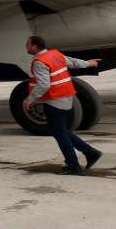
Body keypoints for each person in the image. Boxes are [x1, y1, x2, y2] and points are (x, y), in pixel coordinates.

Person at [23, 36, 103, 175]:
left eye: (27, 45)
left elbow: (44, 84)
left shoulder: (39, 62)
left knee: (60, 134)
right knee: (62, 131)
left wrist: (30, 99)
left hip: (54, 101)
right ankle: (90, 153)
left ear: (35, 47)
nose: (26, 47)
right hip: (66, 97)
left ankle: (74, 166)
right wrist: (89, 63)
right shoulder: (54, 54)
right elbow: (72, 62)